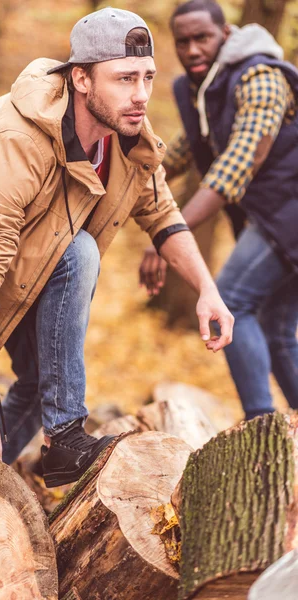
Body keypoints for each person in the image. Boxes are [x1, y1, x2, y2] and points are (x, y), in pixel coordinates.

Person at [0, 7, 233, 487]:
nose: (140, 96)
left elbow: (162, 215)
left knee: (35, 386)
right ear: (81, 78)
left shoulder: (126, 136)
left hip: (28, 262)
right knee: (79, 253)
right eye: (124, 79)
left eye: (147, 77)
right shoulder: (16, 138)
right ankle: (64, 433)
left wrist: (207, 289)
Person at [139, 0, 298, 420]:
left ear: (225, 35)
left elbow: (235, 166)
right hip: (277, 219)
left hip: (289, 215)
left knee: (229, 301)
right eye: (183, 41)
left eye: (202, 38)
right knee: (276, 329)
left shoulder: (260, 78)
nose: (192, 49)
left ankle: (260, 429)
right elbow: (177, 153)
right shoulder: (207, 89)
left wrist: (166, 234)